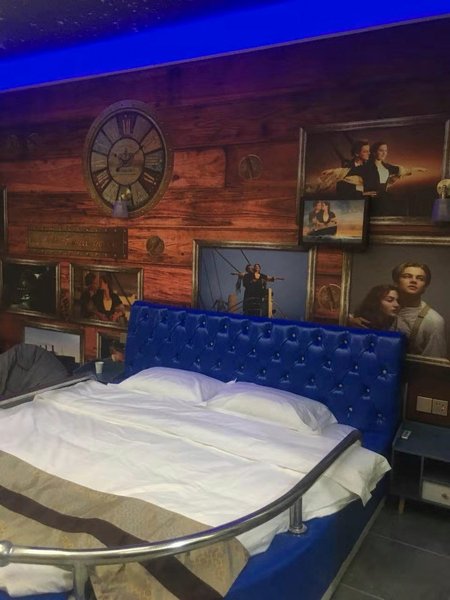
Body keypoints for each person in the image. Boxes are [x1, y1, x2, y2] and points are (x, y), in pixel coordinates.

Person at [392, 262, 447, 359]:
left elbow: (433, 364)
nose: (413, 281)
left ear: (425, 287)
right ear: (396, 282)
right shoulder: (382, 309)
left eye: (420, 278)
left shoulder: (433, 321)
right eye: (407, 276)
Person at [360, 141, 427, 200]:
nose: (384, 153)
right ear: (374, 152)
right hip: (368, 201)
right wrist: (364, 194)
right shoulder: (365, 168)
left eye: (386, 151)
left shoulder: (387, 167)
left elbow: (402, 171)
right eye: (381, 150)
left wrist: (415, 169)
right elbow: (356, 186)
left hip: (383, 199)